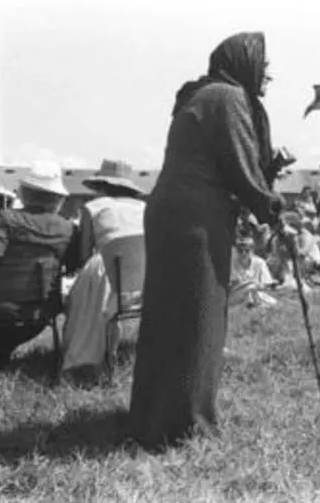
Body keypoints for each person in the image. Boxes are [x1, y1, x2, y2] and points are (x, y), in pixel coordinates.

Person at [129, 32, 289, 450]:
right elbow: (240, 167)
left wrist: (268, 173)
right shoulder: (227, 97)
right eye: (263, 65)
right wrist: (273, 210)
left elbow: (234, 163)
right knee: (199, 318)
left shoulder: (208, 95)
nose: (267, 73)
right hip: (194, 217)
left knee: (172, 318)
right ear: (244, 64)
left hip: (178, 213)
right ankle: (184, 426)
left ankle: (155, 416)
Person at [61, 160, 147, 379]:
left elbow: (84, 254)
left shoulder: (93, 207)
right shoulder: (144, 207)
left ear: (101, 185)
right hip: (145, 284)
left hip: (109, 274)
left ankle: (85, 357)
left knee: (82, 286)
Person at [0, 161, 81, 367]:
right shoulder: (67, 229)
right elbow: (73, 267)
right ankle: (5, 356)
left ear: (23, 193)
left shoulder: (7, 220)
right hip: (40, 315)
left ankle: (3, 356)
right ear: (58, 199)